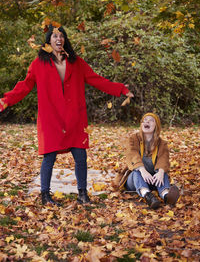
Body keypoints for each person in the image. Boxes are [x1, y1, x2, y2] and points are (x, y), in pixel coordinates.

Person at [0, 23, 133, 206]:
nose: (58, 39)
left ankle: (82, 194)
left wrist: (121, 90)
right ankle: (45, 195)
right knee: (49, 156)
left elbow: (96, 80)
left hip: (74, 116)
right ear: (48, 41)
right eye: (54, 36)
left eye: (61, 36)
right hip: (51, 117)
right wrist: (5, 100)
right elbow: (25, 85)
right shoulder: (39, 64)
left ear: (65, 40)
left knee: (80, 155)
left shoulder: (76, 62)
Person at [113, 113, 180, 209]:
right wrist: (142, 170)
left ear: (156, 126)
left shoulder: (162, 143)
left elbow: (163, 159)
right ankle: (148, 196)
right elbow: (132, 154)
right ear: (141, 125)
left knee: (162, 173)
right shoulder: (133, 139)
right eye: (145, 120)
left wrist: (160, 172)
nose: (147, 121)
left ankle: (166, 196)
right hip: (135, 180)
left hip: (153, 180)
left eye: (151, 120)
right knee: (137, 171)